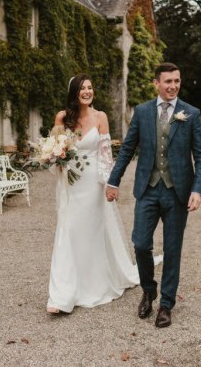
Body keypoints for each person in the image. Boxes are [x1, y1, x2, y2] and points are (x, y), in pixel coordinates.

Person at [106, 62, 201, 328]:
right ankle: (148, 290)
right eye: (168, 82)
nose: (173, 86)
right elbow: (127, 149)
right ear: (156, 83)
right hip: (148, 190)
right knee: (140, 243)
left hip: (178, 193)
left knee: (172, 249)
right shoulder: (142, 113)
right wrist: (113, 181)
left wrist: (198, 189)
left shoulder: (191, 114)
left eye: (177, 81)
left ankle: (166, 304)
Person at [46, 74, 141, 314]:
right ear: (74, 92)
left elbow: (105, 154)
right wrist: (56, 156)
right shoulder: (63, 117)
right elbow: (54, 151)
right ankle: (62, 295)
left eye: (90, 88)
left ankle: (93, 285)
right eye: (82, 88)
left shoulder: (101, 117)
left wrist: (110, 184)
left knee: (92, 232)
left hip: (93, 184)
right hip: (71, 182)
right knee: (68, 230)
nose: (87, 92)